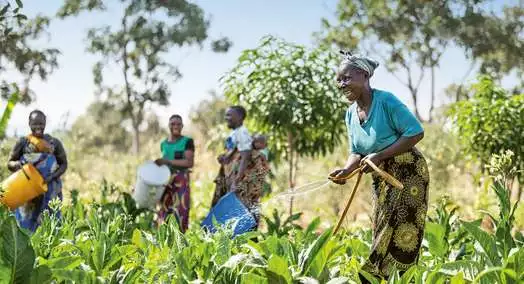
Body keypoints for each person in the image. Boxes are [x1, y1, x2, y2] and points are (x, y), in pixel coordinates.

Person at [329, 51, 429, 282]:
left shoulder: (386, 101)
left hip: (408, 174)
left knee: (403, 228)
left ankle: (392, 278)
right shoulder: (350, 114)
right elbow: (357, 150)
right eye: (338, 80)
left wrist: (380, 155)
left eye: (346, 78)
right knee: (381, 224)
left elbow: (415, 132)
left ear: (364, 75)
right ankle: (379, 278)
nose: (341, 84)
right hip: (381, 175)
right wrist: (346, 170)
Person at [7, 110, 68, 232]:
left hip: (50, 190)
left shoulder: (54, 143)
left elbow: (64, 164)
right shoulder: (23, 143)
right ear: (29, 123)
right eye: (35, 124)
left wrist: (51, 177)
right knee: (26, 226)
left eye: (41, 123)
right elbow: (10, 163)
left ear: (45, 123)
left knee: (50, 225)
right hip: (27, 191)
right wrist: (19, 165)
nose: (38, 127)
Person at [211, 106, 269, 226]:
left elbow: (245, 156)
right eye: (226, 115)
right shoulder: (235, 132)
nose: (226, 118)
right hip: (231, 176)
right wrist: (225, 157)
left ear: (240, 117)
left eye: (229, 115)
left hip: (239, 178)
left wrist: (237, 180)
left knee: (242, 208)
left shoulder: (242, 132)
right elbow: (235, 151)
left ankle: (247, 238)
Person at [154, 114, 195, 232]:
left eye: (178, 124)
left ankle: (180, 239)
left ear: (182, 126)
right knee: (164, 208)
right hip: (165, 180)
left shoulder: (187, 142)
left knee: (181, 209)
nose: (175, 126)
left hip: (181, 180)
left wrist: (167, 161)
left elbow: (189, 162)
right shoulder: (163, 144)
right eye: (173, 124)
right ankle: (164, 237)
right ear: (168, 126)